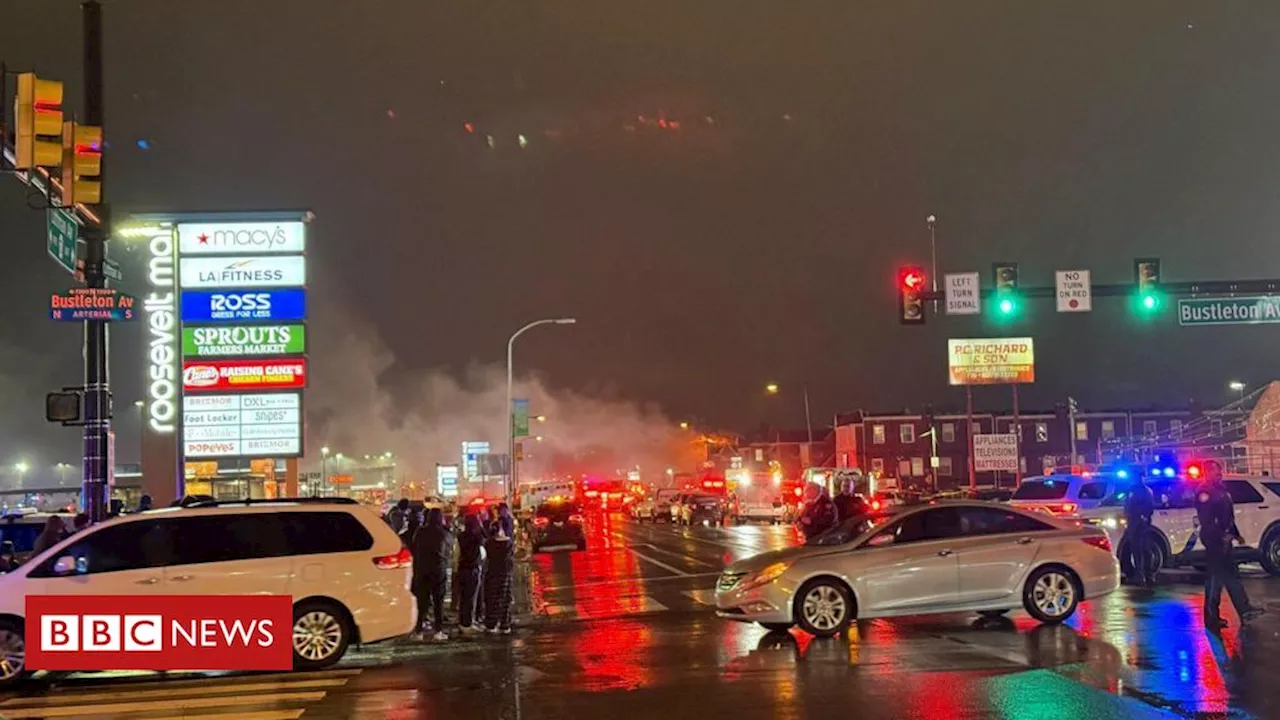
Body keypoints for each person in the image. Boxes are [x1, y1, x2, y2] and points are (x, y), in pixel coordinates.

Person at [1196, 460, 1265, 630]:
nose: (1219, 474)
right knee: (1217, 578)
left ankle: (1240, 611)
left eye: (1220, 471)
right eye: (1215, 471)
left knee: (1228, 576)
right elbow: (1207, 520)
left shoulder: (1221, 490)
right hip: (1214, 540)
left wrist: (1236, 534)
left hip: (1225, 540)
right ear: (1207, 472)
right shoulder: (1204, 492)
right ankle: (1218, 616)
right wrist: (1222, 536)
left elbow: (1228, 516)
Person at [411, 508, 452, 641]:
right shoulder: (444, 533)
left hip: (422, 570)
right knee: (438, 602)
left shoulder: (420, 532)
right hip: (438, 571)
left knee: (422, 602)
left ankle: (418, 631)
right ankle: (438, 631)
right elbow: (449, 550)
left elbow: (414, 547)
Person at [483, 503, 516, 634]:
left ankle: (491, 624)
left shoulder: (489, 543)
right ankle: (505, 623)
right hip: (505, 573)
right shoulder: (507, 543)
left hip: (492, 573)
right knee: (505, 597)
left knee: (493, 598)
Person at [1122, 474, 1156, 586]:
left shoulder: (1141, 491)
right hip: (1137, 523)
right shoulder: (1140, 490)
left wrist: (1142, 518)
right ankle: (1146, 576)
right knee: (1141, 550)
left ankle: (1142, 576)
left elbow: (1147, 507)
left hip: (1139, 524)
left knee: (1139, 551)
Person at [456, 513, 486, 633]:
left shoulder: (461, 536)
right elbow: (485, 537)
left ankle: (463, 622)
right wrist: (481, 524)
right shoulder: (477, 537)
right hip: (473, 568)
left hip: (462, 568)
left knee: (463, 597)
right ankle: (467, 624)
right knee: (471, 597)